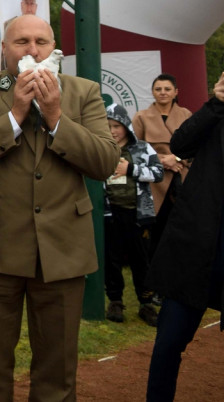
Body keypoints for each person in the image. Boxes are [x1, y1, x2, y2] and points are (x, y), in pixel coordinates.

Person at [0, 14, 118, 401]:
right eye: (21, 41)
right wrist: (14, 114)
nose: (32, 50)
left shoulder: (83, 91)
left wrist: (56, 115)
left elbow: (105, 162)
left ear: (54, 47)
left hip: (63, 251)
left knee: (57, 373)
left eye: (40, 41)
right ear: (3, 48)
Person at [146, 71, 224, 401]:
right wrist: (216, 103)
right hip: (194, 247)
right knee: (169, 343)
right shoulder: (215, 113)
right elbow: (180, 145)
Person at [102, 103, 162, 327]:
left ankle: (146, 304)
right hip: (110, 214)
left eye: (116, 126)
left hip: (138, 215)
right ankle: (115, 301)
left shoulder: (143, 148)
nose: (112, 131)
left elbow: (157, 173)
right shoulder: (102, 148)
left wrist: (131, 170)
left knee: (141, 260)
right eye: (107, 126)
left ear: (126, 126)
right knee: (112, 259)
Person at [132, 73, 192, 254]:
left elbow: (196, 146)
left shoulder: (186, 114)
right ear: (152, 92)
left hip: (182, 176)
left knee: (184, 227)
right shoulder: (141, 117)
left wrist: (177, 159)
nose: (163, 93)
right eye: (158, 89)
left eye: (167, 89)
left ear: (176, 92)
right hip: (155, 181)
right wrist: (162, 160)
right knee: (157, 230)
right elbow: (134, 148)